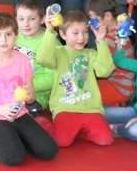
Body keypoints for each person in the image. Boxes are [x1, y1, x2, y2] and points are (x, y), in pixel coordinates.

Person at [0, 12, 59, 166]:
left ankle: (16, 137)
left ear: (16, 36)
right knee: (14, 157)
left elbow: (30, 96)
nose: (3, 40)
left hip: (19, 114)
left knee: (49, 151)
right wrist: (0, 110)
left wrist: (29, 96)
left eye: (8, 34)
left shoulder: (22, 60)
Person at [37, 9, 115, 147]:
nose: (81, 38)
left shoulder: (90, 53)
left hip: (91, 109)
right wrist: (49, 31)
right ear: (62, 34)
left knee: (106, 139)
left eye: (85, 32)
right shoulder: (59, 52)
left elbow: (105, 71)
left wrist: (101, 41)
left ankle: (79, 130)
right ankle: (42, 123)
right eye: (75, 33)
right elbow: (42, 59)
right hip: (66, 107)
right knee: (62, 142)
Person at [13, 0, 57, 113]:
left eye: (32, 19)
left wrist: (28, 86)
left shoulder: (50, 41)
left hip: (36, 96)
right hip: (9, 89)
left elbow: (53, 77)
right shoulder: (14, 35)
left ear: (42, 19)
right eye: (21, 19)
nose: (26, 24)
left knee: (23, 113)